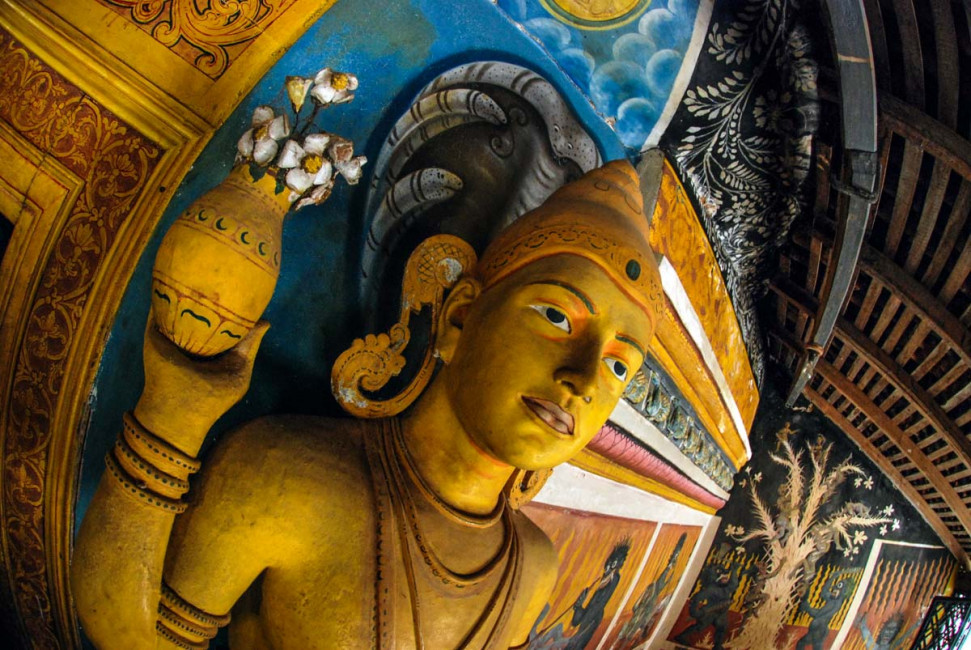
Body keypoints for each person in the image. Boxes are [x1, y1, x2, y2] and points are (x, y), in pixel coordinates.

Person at [71, 160, 662, 649]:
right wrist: (175, 416)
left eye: (617, 366)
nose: (585, 380)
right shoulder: (286, 477)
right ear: (459, 317)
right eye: (557, 317)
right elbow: (133, 637)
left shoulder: (533, 567)